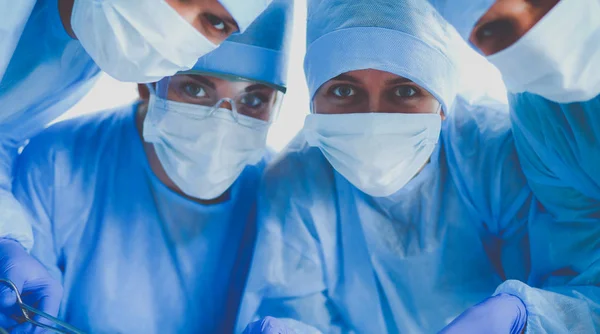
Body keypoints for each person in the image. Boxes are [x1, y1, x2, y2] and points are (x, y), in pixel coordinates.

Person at [237, 0, 600, 333]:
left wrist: (528, 317)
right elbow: (301, 312)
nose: (373, 119)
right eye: (345, 91)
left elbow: (574, 285)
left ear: (442, 101)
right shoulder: (296, 181)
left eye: (405, 91)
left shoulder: (489, 153)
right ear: (312, 99)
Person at [8, 0, 293, 332]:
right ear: (148, 80)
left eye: (254, 99)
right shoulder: (58, 164)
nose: (223, 122)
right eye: (195, 88)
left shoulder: (284, 198)